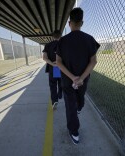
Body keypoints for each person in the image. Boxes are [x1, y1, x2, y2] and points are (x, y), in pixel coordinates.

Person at [56, 8, 100, 144]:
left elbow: (58, 62)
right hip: (83, 80)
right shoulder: (89, 39)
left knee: (70, 106)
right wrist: (80, 78)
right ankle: (79, 107)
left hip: (67, 81)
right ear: (82, 22)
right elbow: (94, 61)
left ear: (69, 23)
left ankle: (74, 132)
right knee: (80, 98)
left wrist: (72, 77)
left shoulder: (62, 41)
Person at [42, 30, 63, 109]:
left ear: (52, 37)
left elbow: (44, 58)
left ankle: (54, 101)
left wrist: (53, 64)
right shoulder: (63, 44)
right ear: (60, 36)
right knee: (61, 82)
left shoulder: (48, 45)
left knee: (53, 85)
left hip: (53, 68)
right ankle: (60, 94)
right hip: (62, 68)